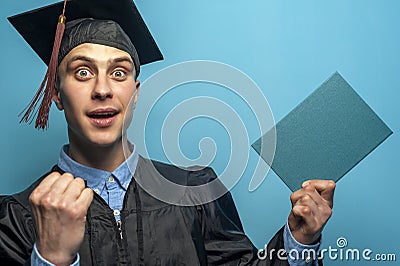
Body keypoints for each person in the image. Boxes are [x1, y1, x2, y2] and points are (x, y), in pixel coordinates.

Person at [0, 0, 336, 265]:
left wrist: (299, 239)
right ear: (56, 94)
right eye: (83, 72)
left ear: (136, 92)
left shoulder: (193, 190)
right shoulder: (16, 217)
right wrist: (51, 260)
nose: (102, 89)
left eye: (119, 73)